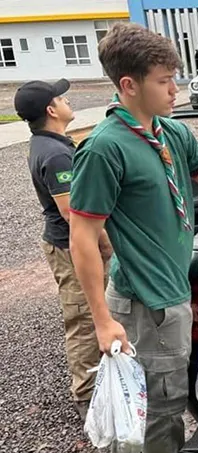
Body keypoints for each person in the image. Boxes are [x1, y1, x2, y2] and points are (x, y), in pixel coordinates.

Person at [69, 22, 198, 453]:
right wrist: (102, 321)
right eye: (164, 81)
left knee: (160, 413)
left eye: (175, 78)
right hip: (141, 308)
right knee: (153, 420)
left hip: (172, 299)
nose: (175, 90)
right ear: (128, 85)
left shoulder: (172, 134)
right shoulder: (103, 149)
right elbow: (82, 239)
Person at [15, 78, 111, 421]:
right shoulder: (55, 154)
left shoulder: (51, 142)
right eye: (62, 97)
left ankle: (102, 377)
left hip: (68, 244)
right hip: (70, 248)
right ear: (51, 110)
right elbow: (72, 213)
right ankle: (87, 396)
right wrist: (105, 247)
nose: (68, 100)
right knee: (84, 317)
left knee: (90, 312)